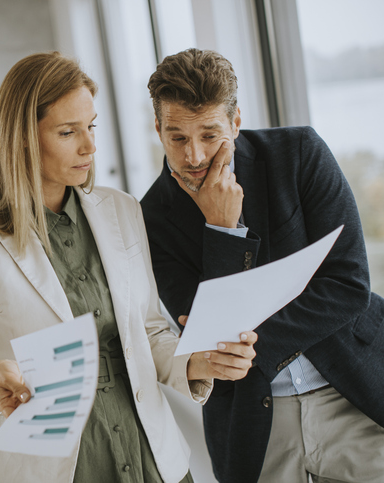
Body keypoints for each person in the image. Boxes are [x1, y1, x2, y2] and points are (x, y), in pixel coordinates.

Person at [0, 51, 257, 483]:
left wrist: (200, 362)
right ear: (24, 137)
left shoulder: (121, 210)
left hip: (149, 455)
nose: (90, 146)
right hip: (49, 467)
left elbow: (149, 331)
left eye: (91, 126)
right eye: (68, 132)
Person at [140, 48, 384, 483]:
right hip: (252, 418)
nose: (194, 155)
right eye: (177, 137)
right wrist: (222, 230)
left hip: (354, 391)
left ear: (235, 122)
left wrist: (248, 343)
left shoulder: (300, 153)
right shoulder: (151, 218)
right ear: (158, 128)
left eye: (210, 135)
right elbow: (209, 334)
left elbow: (348, 284)